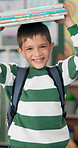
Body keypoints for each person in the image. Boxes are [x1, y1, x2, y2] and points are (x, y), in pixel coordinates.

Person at [0, 3, 78, 148]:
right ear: (21, 52)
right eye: (29, 48)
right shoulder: (14, 75)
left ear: (51, 46)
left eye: (42, 46)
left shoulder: (61, 73)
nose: (37, 53)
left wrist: (69, 22)